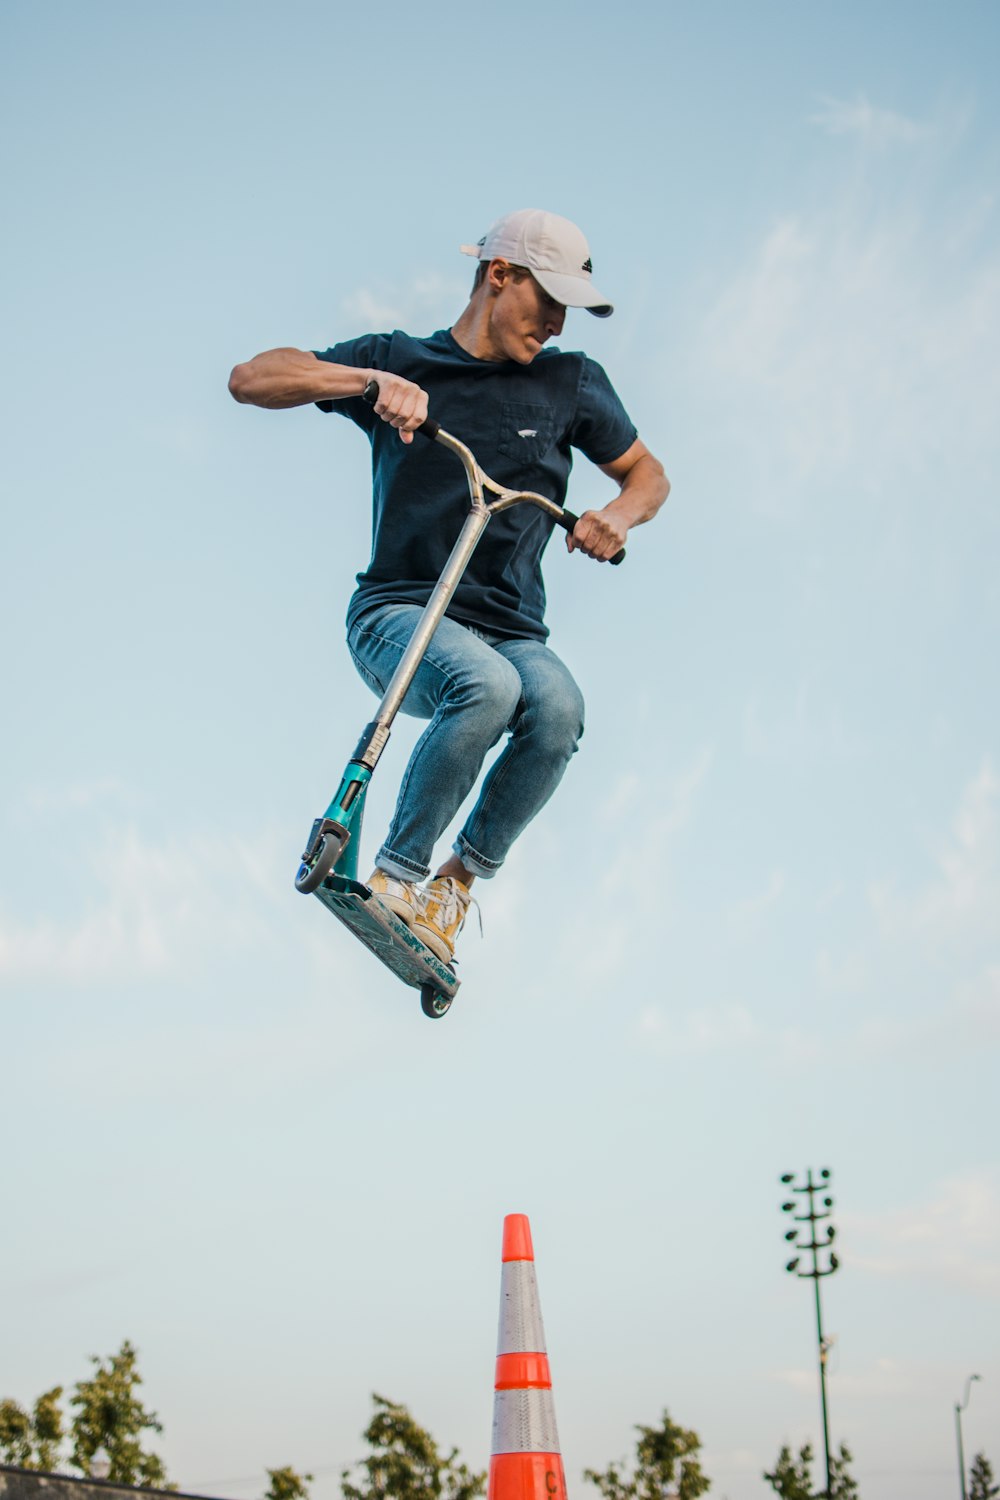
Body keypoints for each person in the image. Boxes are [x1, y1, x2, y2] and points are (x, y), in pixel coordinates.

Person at [228, 208, 669, 963]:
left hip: (512, 630)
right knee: (487, 688)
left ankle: (450, 888)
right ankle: (396, 876)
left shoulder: (572, 384)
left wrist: (617, 517)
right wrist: (368, 382)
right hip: (398, 614)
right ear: (501, 275)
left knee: (558, 707)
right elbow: (252, 378)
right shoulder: (403, 361)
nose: (560, 325)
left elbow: (647, 475)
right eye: (550, 301)